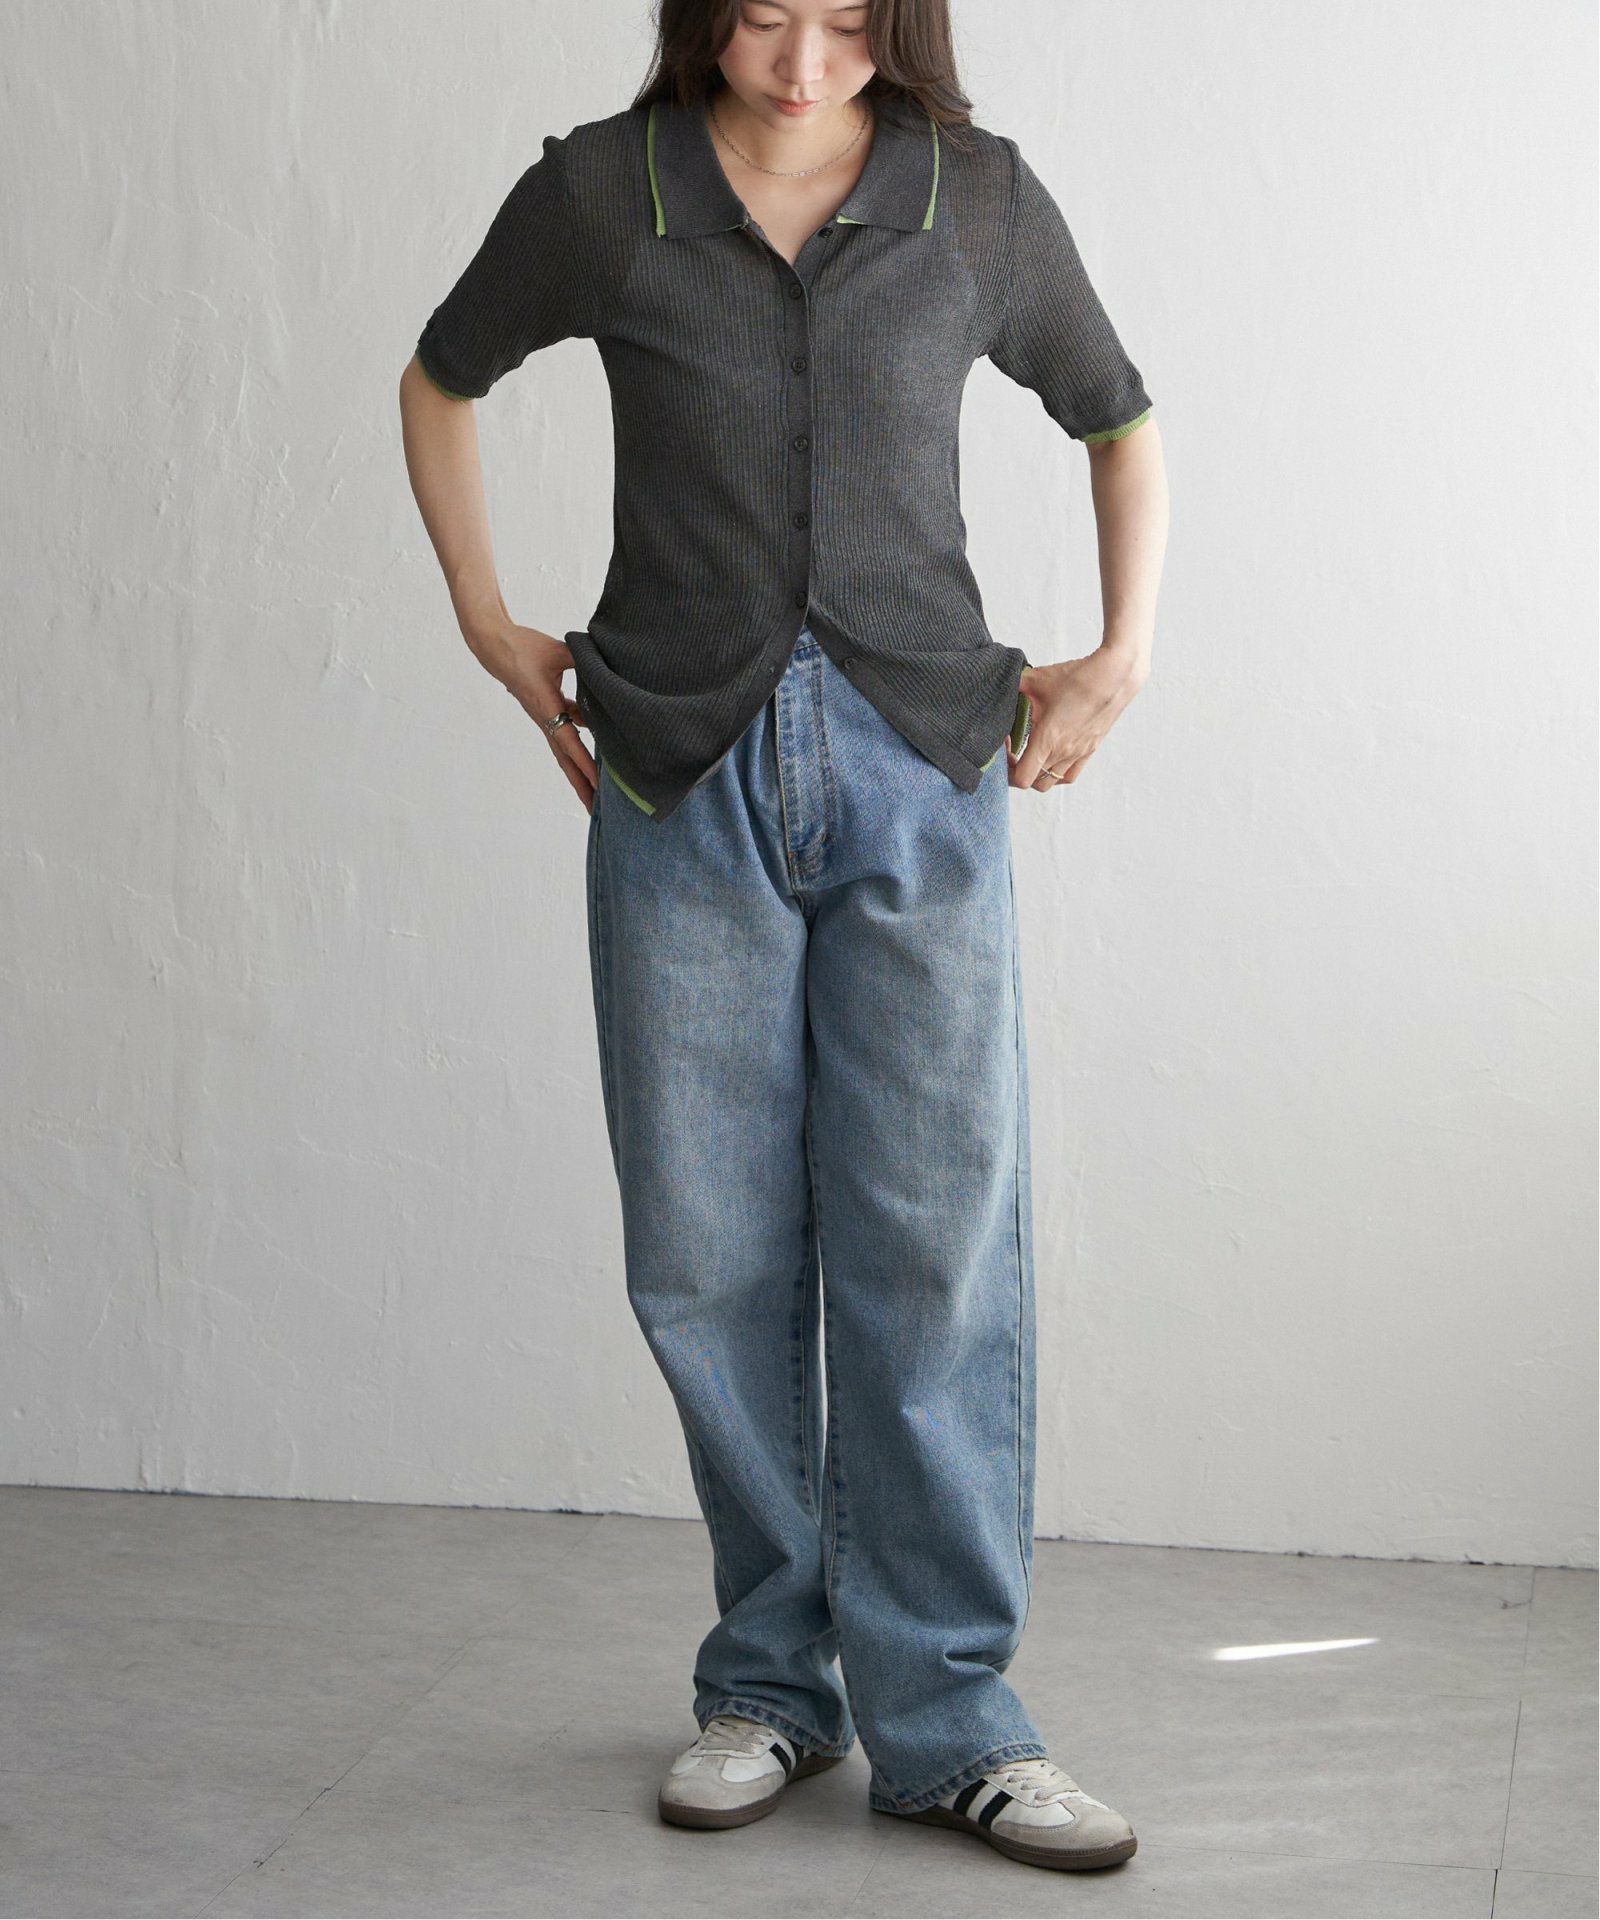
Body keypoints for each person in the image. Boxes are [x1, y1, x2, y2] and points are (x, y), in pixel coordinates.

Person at [400, 0, 1168, 1875]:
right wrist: (490, 623)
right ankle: (768, 1683)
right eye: (762, 15)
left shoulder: (977, 198)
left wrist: (1122, 656)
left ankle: (955, 1719)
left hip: (922, 768)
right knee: (707, 1249)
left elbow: (1118, 417)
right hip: (680, 773)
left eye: (847, 20)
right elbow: (441, 376)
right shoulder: (608, 192)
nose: (805, 61)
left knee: (934, 1245)